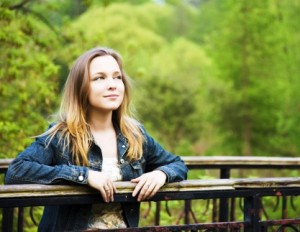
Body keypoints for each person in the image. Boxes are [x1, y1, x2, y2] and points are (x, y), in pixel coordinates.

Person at [5, 47, 188, 231]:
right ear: (81, 88)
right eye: (99, 78)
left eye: (117, 77)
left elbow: (177, 164)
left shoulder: (135, 135)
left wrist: (161, 174)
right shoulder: (61, 136)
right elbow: (16, 172)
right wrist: (84, 176)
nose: (112, 84)